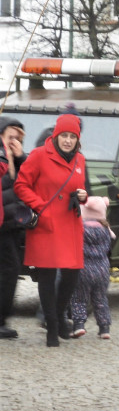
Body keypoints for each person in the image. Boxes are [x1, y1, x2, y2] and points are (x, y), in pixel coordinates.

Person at [14, 113, 89, 347]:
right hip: (46, 224)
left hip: (70, 225)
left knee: (72, 275)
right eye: (64, 136)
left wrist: (83, 196)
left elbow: (81, 188)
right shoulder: (39, 155)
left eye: (72, 137)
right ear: (56, 136)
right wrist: (40, 206)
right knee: (47, 276)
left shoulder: (80, 160)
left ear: (77, 140)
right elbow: (21, 185)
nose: (68, 140)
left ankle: (57, 317)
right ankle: (53, 327)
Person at [69, 196, 115, 339]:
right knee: (100, 299)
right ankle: (104, 328)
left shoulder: (80, 228)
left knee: (78, 298)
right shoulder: (106, 229)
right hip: (102, 269)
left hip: (84, 269)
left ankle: (79, 325)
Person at [0, 116, 25, 339]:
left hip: (12, 224)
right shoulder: (2, 159)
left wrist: (20, 157)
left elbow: (30, 177)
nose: (14, 141)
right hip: (3, 224)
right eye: (10, 136)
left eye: (18, 138)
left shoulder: (15, 159)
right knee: (10, 270)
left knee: (10, 270)